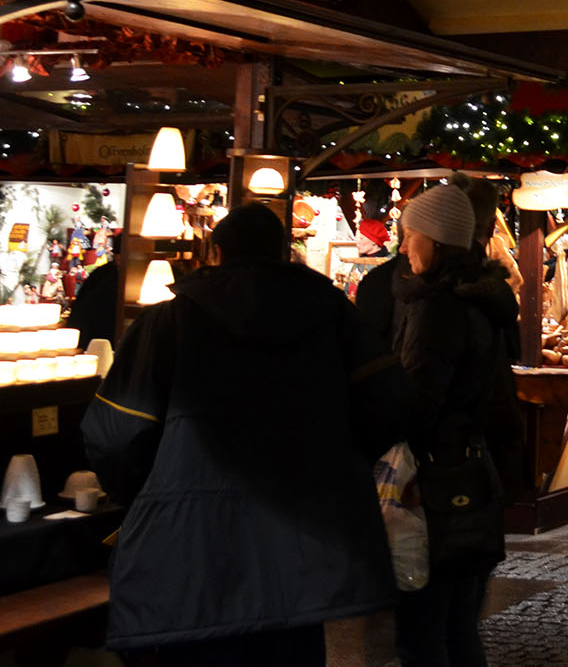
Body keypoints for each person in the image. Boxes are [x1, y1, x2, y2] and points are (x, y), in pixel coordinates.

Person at [83, 204, 411, 666]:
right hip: (304, 546)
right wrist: (337, 461)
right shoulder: (332, 315)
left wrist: (154, 490)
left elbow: (116, 434)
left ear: (214, 253)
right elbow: (390, 401)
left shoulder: (167, 323)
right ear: (283, 252)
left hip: (193, 547)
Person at [391, 185, 519, 667]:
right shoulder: (485, 303)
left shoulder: (438, 307)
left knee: (423, 635)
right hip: (475, 477)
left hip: (435, 487)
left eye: (411, 236)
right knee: (460, 629)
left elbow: (418, 400)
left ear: (438, 242)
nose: (405, 247)